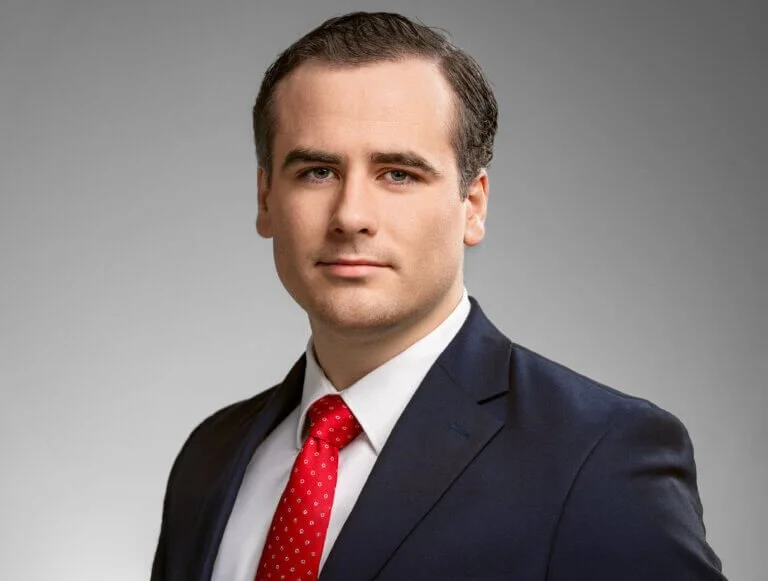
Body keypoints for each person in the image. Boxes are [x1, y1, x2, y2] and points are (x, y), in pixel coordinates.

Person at [150, 11, 726, 581]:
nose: (351, 216)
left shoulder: (598, 456)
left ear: (472, 205)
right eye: (318, 171)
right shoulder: (211, 456)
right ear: (266, 197)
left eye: (398, 173)